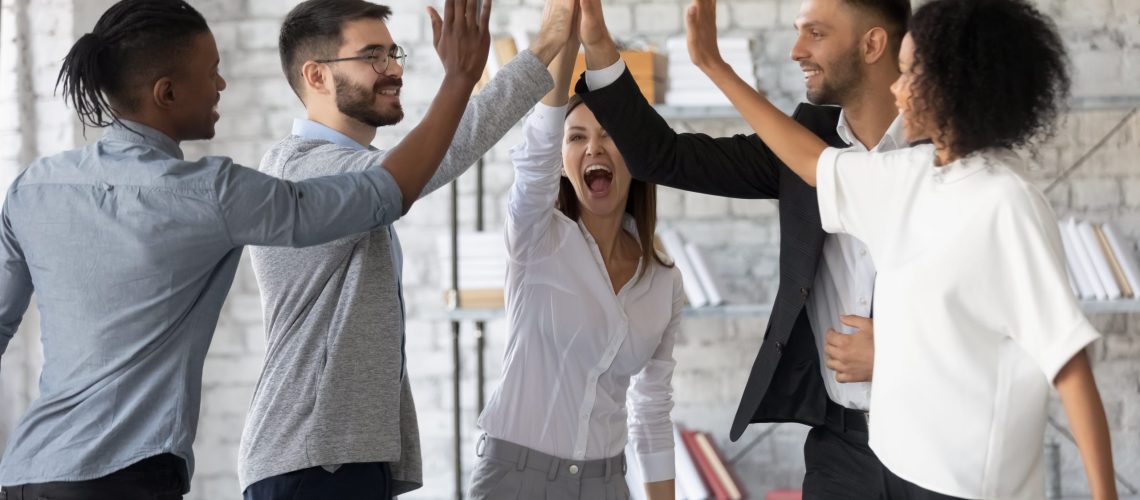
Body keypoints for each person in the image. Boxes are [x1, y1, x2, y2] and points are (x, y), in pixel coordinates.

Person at [0, 0, 488, 498]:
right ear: (166, 93)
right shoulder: (209, 193)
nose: (221, 85)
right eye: (211, 72)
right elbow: (382, 193)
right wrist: (458, 81)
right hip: (125, 478)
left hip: (25, 472)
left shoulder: (33, 187)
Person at [684, 0, 1118, 498]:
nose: (895, 87)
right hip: (890, 467)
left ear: (955, 88)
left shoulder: (1006, 202)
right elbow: (810, 158)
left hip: (970, 487)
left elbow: (1071, 369)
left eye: (909, 74)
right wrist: (715, 68)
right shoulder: (908, 178)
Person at [237, 0, 579, 498]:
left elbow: (420, 159)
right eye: (372, 56)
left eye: (393, 53)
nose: (394, 69)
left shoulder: (350, 168)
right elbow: (432, 158)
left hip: (342, 459)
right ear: (316, 76)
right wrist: (541, 44)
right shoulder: (299, 170)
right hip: (313, 461)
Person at [573, 0, 910, 496]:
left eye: (815, 33)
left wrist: (901, 352)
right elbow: (660, 156)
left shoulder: (943, 154)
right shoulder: (803, 142)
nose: (797, 51)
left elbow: (990, 311)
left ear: (873, 44)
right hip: (841, 450)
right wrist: (598, 44)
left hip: (934, 436)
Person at [467, 15, 683, 500]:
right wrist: (565, 29)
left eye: (608, 134)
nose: (593, 148)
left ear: (634, 152)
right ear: (563, 163)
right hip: (512, 481)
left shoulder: (663, 283)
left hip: (608, 485)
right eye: (577, 137)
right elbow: (539, 144)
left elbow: (651, 409)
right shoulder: (534, 236)